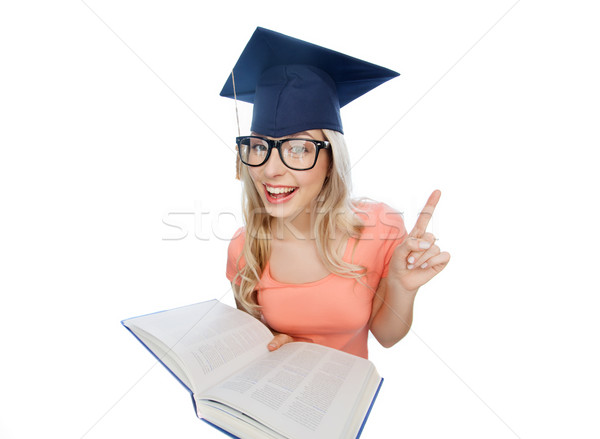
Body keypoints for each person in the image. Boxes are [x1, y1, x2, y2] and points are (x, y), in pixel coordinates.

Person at [221, 28, 450, 359]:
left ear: (331, 161)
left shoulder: (378, 227)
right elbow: (253, 342)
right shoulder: (244, 249)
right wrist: (269, 343)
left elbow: (387, 336)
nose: (271, 170)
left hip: (348, 402)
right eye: (258, 146)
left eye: (298, 148)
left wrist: (400, 285)